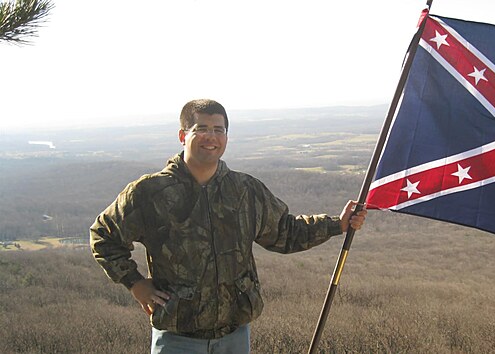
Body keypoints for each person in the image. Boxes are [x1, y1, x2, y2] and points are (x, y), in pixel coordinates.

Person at [90, 99, 367, 353]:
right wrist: (136, 283)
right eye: (202, 128)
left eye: (219, 130)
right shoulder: (150, 192)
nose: (211, 137)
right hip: (178, 338)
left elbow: (285, 232)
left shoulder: (244, 190)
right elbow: (103, 236)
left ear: (226, 137)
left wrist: (336, 225)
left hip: (235, 336)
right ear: (182, 135)